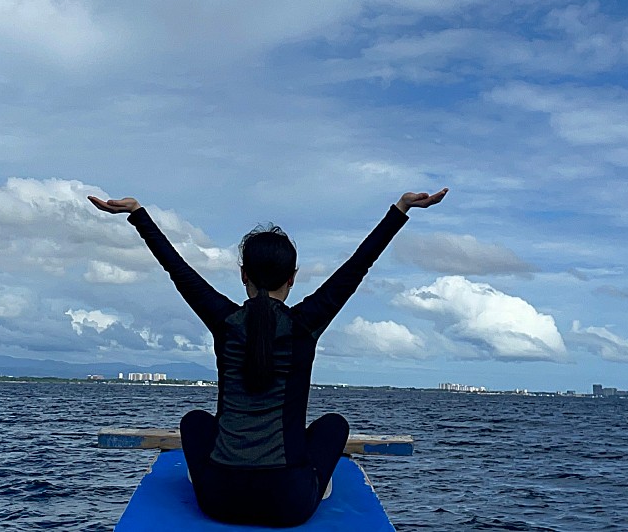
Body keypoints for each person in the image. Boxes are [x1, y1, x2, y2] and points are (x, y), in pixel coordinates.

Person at [88, 187, 449, 527]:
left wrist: (138, 214)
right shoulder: (304, 325)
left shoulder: (225, 321)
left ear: (243, 274)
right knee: (334, 424)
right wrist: (400, 210)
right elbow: (357, 266)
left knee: (195, 421)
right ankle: (314, 484)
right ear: (292, 279)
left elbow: (178, 270)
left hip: (217, 500)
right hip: (288, 504)